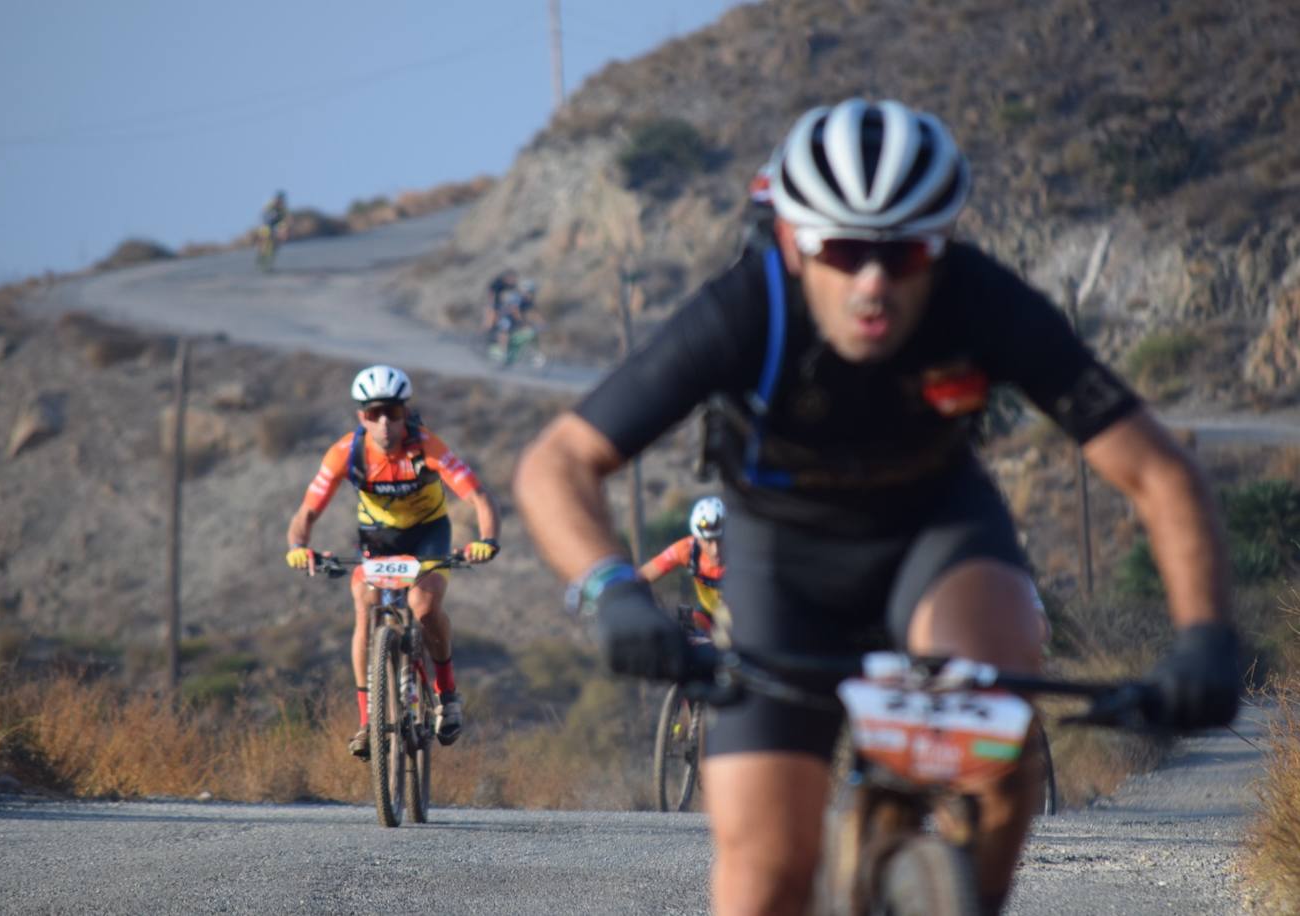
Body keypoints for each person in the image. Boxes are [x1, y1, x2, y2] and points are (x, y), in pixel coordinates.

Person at [513, 98, 1240, 915]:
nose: (873, 283)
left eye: (906, 253)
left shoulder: (984, 302)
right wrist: (611, 588)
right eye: (844, 249)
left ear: (944, 246)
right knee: (767, 875)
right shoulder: (748, 309)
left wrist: (1206, 635)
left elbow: (1159, 472)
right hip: (781, 560)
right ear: (792, 242)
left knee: (997, 752)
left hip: (935, 535)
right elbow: (559, 464)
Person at [285, 364, 501, 757]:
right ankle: (368, 723)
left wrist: (487, 540)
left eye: (393, 413)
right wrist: (299, 546)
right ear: (361, 417)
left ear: (406, 413)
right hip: (379, 540)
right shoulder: (345, 453)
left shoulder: (427, 447)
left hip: (428, 535)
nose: (385, 423)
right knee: (365, 606)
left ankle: (446, 694)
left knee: (424, 606)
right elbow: (307, 512)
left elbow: (479, 497)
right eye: (373, 414)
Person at [638, 496, 727, 634]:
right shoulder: (686, 549)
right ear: (697, 538)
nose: (715, 550)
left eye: (720, 540)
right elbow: (640, 576)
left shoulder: (746, 551)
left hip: (745, 614)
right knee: (685, 623)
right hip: (708, 613)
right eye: (708, 541)